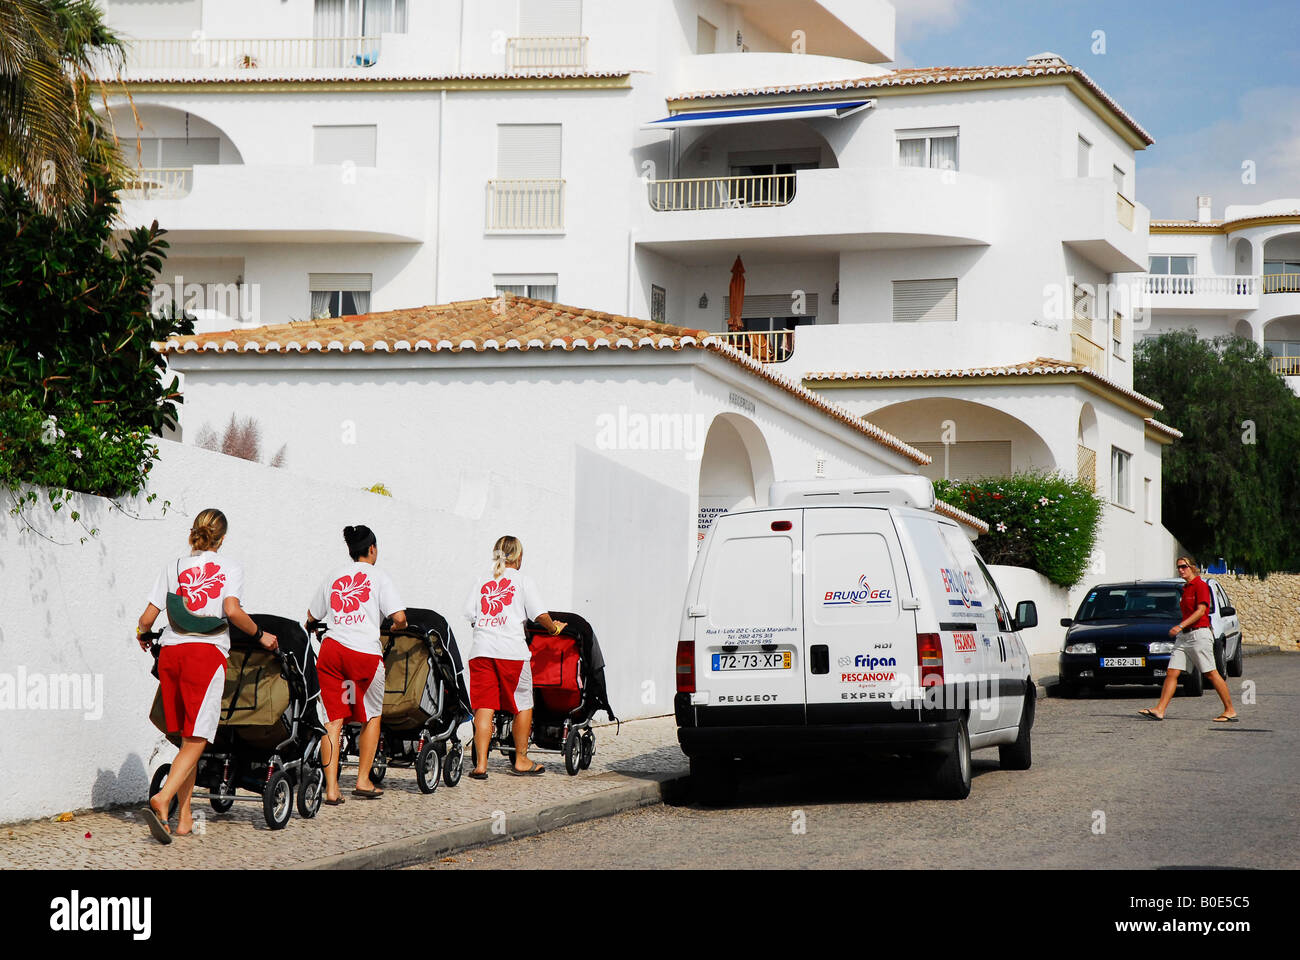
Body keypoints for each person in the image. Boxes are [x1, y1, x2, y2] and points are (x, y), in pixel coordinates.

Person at [138, 508, 278, 844]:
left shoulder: (173, 566)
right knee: (199, 738)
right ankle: (163, 798)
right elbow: (231, 610)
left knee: (186, 739)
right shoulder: (230, 567)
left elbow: (147, 617)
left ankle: (185, 818)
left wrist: (143, 633)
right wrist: (261, 635)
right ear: (222, 537)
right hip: (205, 654)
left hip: (172, 655)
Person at [307, 525, 406, 802]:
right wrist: (399, 626)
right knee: (372, 714)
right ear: (372, 549)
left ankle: (331, 789)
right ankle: (362, 780)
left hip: (333, 650)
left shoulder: (334, 575)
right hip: (363, 654)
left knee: (332, 719)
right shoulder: (379, 577)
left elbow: (312, 615)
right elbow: (398, 617)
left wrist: (311, 624)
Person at [464, 536, 566, 778]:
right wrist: (553, 629)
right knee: (522, 704)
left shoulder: (482, 579)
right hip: (511, 653)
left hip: (481, 650)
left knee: (484, 706)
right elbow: (540, 615)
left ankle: (481, 766)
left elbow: (470, 614)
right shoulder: (523, 581)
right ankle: (520, 759)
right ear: (518, 557)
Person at [1140, 557, 1238, 722]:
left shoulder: (1200, 586)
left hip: (1199, 634)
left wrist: (1180, 625)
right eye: (1178, 567)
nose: (1181, 570)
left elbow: (1201, 611)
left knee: (1210, 673)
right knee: (1172, 672)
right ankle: (1159, 709)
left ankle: (1230, 710)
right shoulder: (1185, 588)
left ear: (1193, 567)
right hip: (1184, 636)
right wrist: (1181, 629)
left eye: (1184, 567)